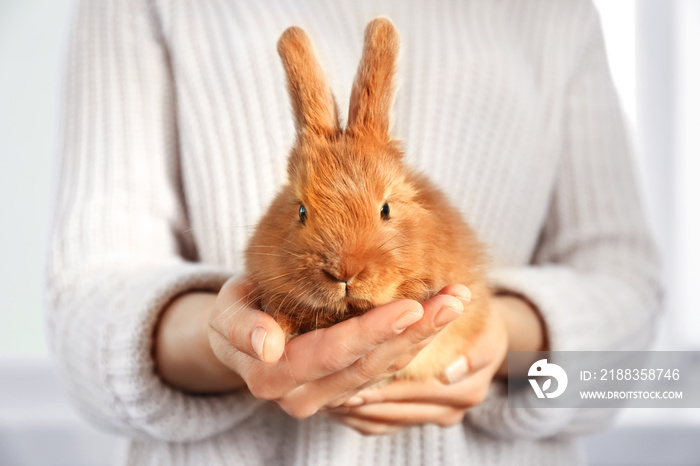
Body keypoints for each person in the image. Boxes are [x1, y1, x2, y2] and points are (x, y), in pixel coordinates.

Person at [45, 0, 661, 464]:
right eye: (307, 213)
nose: (344, 265)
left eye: (385, 214)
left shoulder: (557, 14)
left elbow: (629, 299)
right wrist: (223, 341)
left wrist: (496, 340)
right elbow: (85, 300)